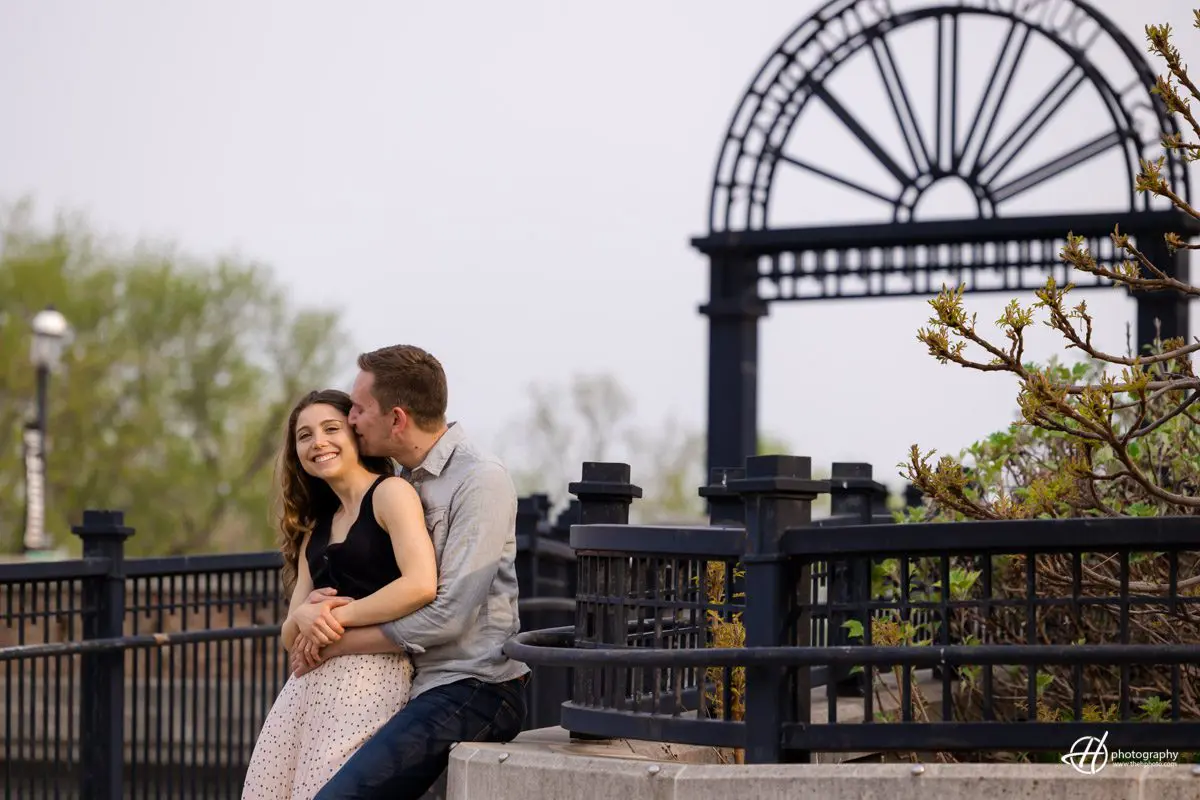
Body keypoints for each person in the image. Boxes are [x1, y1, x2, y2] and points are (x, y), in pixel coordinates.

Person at [289, 344, 529, 800]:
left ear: (396, 419)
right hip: (409, 683)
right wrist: (308, 622)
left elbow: (448, 617)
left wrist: (329, 637)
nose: (353, 419)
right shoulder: (401, 480)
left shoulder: (481, 480)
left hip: (473, 686)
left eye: (358, 409)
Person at [241, 389, 438, 800]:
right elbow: (289, 635)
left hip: (369, 680)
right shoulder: (316, 526)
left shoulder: (390, 494)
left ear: (354, 434)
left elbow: (420, 583)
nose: (318, 443)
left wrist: (332, 618)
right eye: (305, 436)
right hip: (305, 688)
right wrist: (303, 619)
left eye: (331, 429)